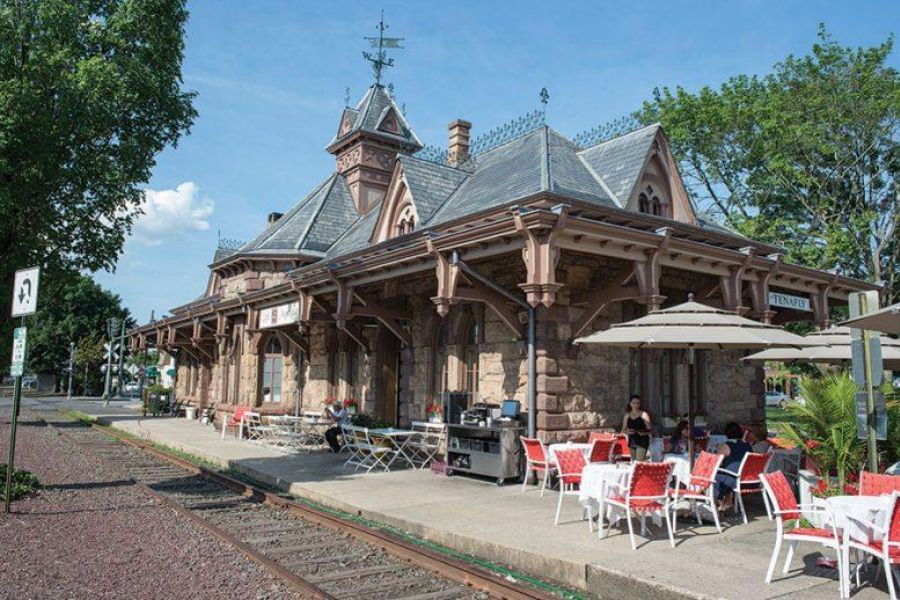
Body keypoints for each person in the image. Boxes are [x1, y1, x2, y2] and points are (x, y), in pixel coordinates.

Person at [714, 421, 753, 510]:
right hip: (749, 481)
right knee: (727, 473)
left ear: (726, 433)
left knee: (713, 476)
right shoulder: (747, 446)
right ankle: (728, 502)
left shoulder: (726, 446)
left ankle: (720, 503)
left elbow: (716, 463)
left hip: (734, 480)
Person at [621, 395, 651, 461]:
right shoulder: (627, 415)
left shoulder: (644, 414)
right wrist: (628, 431)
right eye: (634, 403)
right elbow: (623, 430)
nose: (636, 405)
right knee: (634, 461)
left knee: (639, 461)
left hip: (642, 440)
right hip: (632, 440)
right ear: (630, 404)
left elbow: (649, 429)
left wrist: (643, 432)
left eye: (638, 403)